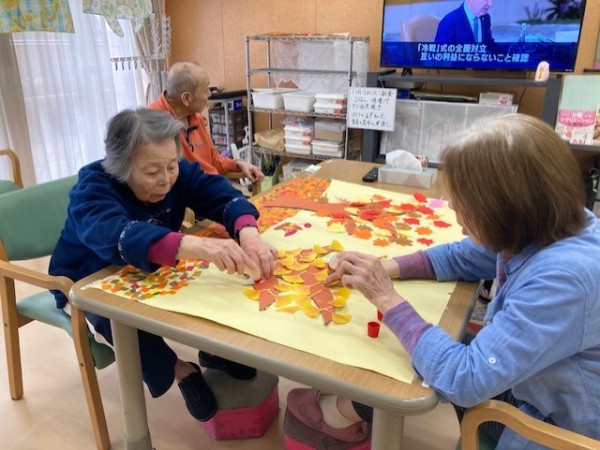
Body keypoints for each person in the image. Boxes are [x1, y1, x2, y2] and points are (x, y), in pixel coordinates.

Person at [286, 113, 600, 448]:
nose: (456, 214)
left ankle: (341, 412)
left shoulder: (564, 279)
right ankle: (349, 407)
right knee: (427, 340)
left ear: (506, 209)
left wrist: (385, 296)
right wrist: (385, 267)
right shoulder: (547, 222)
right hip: (539, 382)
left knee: (424, 351)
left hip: (559, 428)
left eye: (465, 205)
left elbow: (465, 379)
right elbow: (462, 256)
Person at [49, 108, 277, 422]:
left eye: (171, 166)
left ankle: (215, 351)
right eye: (152, 172)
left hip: (147, 268)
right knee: (121, 320)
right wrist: (198, 246)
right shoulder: (93, 188)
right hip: (87, 276)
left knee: (208, 287)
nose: (166, 179)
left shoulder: (176, 172)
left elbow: (218, 193)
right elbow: (117, 234)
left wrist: (247, 232)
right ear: (121, 166)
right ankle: (180, 370)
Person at [149, 61, 264, 184]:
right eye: (205, 90)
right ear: (186, 98)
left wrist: (239, 164)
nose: (209, 94)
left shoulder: (196, 117)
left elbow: (213, 159)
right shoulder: (152, 124)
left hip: (210, 186)